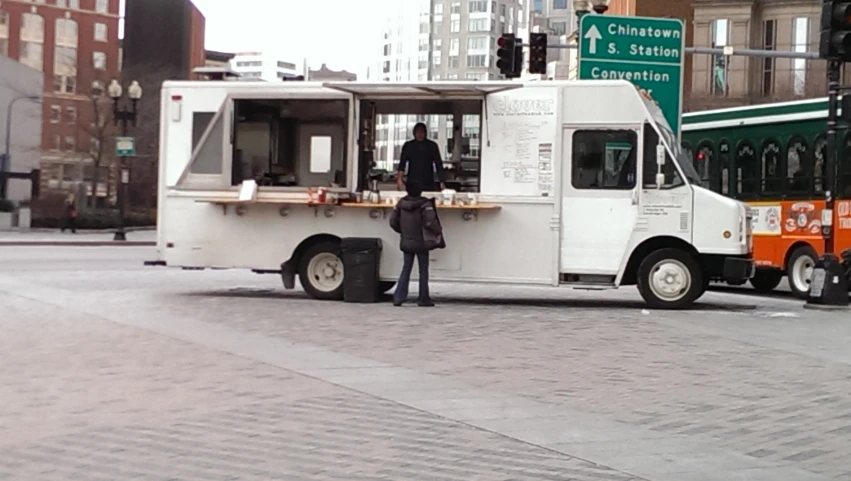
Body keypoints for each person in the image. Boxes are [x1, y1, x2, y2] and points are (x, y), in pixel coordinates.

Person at [389, 182, 444, 307]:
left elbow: (393, 221)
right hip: (422, 242)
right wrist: (438, 231)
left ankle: (398, 297)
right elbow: (430, 222)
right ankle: (423, 298)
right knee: (423, 270)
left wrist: (402, 231)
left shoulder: (400, 204)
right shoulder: (425, 204)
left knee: (406, 268)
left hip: (406, 240)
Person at [396, 122, 446, 192]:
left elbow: (439, 164)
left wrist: (442, 181)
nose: (420, 134)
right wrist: (399, 179)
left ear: (425, 133)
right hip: (412, 181)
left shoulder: (432, 146)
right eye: (418, 132)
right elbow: (402, 164)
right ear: (414, 133)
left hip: (428, 182)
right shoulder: (408, 146)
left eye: (422, 132)